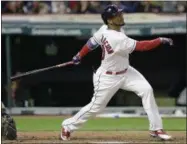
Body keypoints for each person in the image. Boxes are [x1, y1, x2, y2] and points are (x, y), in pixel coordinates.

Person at [61, 4, 173, 141]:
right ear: (110, 20)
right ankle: (68, 126)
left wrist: (79, 55)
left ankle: (156, 129)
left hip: (126, 72)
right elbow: (143, 46)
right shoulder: (117, 38)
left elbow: (91, 43)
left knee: (147, 90)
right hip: (108, 77)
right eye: (117, 15)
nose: (121, 16)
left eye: (120, 14)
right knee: (96, 107)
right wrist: (159, 40)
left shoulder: (104, 29)